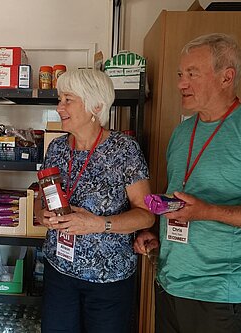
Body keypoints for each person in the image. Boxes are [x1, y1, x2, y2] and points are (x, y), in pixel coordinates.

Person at [134, 33, 241, 333]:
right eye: (180, 74)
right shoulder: (182, 133)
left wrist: (208, 212)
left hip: (219, 298)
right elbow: (180, 200)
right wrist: (158, 233)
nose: (181, 84)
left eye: (192, 74)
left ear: (227, 77)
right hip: (169, 284)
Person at [35, 69, 155, 333]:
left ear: (96, 106)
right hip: (59, 271)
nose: (59, 107)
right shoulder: (56, 148)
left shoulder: (124, 149)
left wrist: (99, 224)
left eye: (68, 100)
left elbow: (146, 214)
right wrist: (41, 214)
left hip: (108, 278)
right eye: (60, 99)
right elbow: (41, 197)